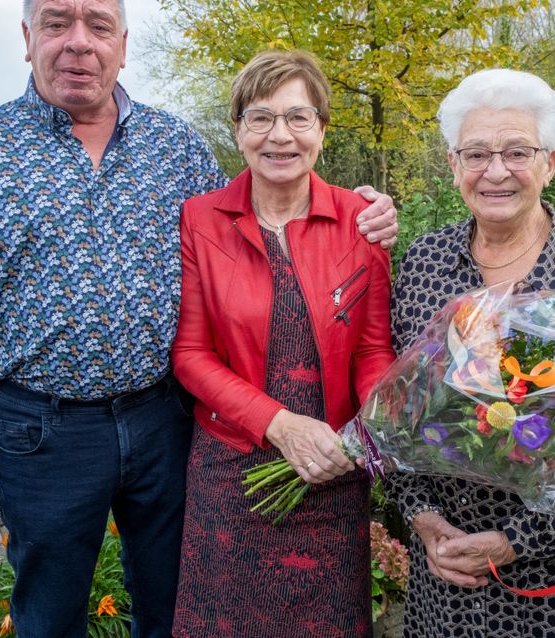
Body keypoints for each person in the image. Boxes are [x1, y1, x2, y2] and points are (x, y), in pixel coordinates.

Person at [0, 2, 398, 635]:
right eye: (58, 23)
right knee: (48, 616)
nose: (79, 44)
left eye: (98, 26)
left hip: (164, 424)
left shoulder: (175, 147)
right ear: (27, 38)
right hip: (45, 433)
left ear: (123, 43)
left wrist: (360, 211)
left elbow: (261, 208)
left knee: (174, 609)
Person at [388, 68, 555, 637]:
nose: (497, 171)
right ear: (454, 164)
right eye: (477, 153)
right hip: (451, 562)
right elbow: (396, 412)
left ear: (550, 163)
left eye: (517, 151)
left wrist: (518, 541)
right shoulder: (425, 262)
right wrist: (422, 518)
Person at [169, 49, 397, 638]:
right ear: (239, 131)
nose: (280, 135)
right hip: (233, 470)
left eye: (298, 117)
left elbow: (373, 349)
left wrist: (379, 425)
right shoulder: (200, 219)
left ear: (321, 129)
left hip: (331, 470)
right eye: (261, 117)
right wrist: (280, 425)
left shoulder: (362, 221)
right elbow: (191, 354)